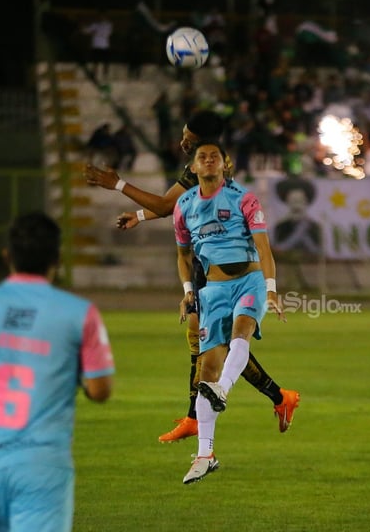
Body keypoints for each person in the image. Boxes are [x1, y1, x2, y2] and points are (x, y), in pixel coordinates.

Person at [84, 110, 300, 443]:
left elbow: (169, 203)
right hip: (208, 260)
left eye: (187, 134)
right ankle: (212, 411)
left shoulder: (204, 165)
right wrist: (141, 216)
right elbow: (177, 206)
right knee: (204, 338)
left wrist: (118, 184)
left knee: (214, 342)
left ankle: (222, 411)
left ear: (200, 143)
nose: (182, 138)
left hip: (221, 264)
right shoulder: (204, 164)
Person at [0, 212, 115, 531]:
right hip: (39, 466)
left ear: (7, 257)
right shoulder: (79, 312)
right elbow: (100, 390)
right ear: (57, 259)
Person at [174, 140, 286, 484]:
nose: (208, 161)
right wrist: (189, 293)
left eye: (214, 157)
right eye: (201, 157)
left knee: (242, 332)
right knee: (206, 367)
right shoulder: (184, 205)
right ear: (193, 167)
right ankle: (205, 455)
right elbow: (183, 255)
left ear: (225, 164)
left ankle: (222, 388)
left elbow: (264, 248)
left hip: (249, 281)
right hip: (214, 291)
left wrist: (270, 289)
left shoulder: (243, 198)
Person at [272, 176, 322, 255]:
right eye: (293, 201)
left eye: (300, 201)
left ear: (306, 202)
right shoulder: (281, 226)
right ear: (287, 202)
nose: (296, 206)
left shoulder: (314, 227)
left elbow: (317, 252)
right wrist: (298, 232)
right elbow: (278, 249)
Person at [82, 10, 113, 82]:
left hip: (105, 46)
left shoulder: (108, 24)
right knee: (95, 62)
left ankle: (105, 76)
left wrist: (95, 32)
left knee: (106, 62)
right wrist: (83, 28)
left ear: (105, 16)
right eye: (100, 16)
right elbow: (86, 31)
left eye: (103, 16)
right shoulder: (95, 24)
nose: (101, 17)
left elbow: (107, 33)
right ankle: (94, 76)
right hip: (96, 45)